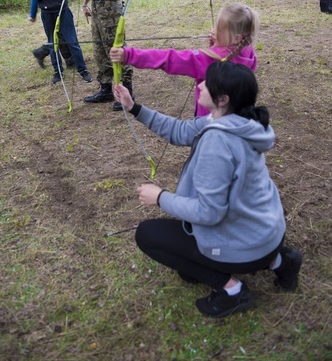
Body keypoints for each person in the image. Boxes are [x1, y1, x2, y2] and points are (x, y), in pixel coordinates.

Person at [113, 62, 303, 318]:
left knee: (147, 235)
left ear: (222, 99)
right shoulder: (240, 120)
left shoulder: (218, 141)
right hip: (268, 233)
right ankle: (281, 261)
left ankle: (232, 291)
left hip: (250, 242)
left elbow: (209, 212)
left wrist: (159, 197)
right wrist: (133, 107)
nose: (199, 85)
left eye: (206, 83)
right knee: (187, 272)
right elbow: (179, 131)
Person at [111, 3, 258, 117]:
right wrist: (219, 43)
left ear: (237, 38)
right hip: (235, 121)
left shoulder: (209, 60)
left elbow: (169, 59)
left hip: (207, 124)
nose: (213, 31)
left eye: (219, 29)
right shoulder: (247, 52)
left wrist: (128, 55)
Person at [30, 0, 80, 69]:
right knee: (60, 36)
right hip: (51, 11)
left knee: (60, 36)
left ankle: (41, 53)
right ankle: (69, 60)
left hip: (59, 8)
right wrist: (33, 14)